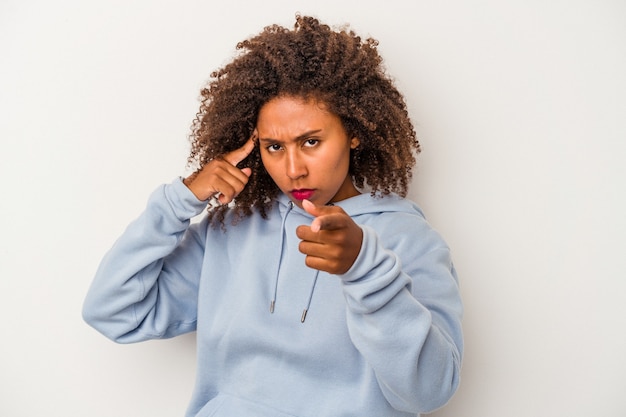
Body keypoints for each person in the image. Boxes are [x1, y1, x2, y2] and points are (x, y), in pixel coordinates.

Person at [82, 14, 463, 417]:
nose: (293, 169)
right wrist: (179, 201)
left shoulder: (407, 238)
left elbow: (430, 390)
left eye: (311, 141)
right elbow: (113, 312)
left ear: (353, 133)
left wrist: (365, 269)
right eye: (274, 147)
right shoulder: (231, 229)